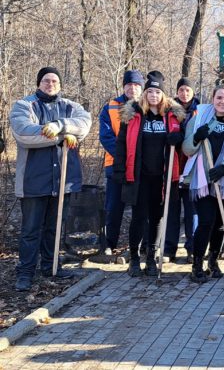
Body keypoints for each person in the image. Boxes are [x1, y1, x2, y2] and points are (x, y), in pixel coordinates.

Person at [10, 66, 92, 291]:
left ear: (60, 84)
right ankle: (25, 272)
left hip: (63, 179)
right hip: (33, 180)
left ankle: (51, 266)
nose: (50, 84)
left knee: (54, 227)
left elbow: (84, 124)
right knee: (30, 229)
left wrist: (61, 126)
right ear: (39, 83)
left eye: (55, 80)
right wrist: (61, 137)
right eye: (46, 80)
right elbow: (24, 133)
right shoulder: (24, 106)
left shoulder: (70, 107)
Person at [113, 71, 185, 277]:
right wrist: (119, 170)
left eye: (157, 92)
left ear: (163, 95)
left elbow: (183, 142)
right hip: (139, 176)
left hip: (162, 177)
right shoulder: (133, 115)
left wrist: (177, 137)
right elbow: (121, 145)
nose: (153, 95)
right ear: (144, 94)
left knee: (157, 218)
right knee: (138, 217)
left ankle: (151, 257)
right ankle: (134, 258)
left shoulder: (171, 116)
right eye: (150, 91)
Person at [182, 84, 224, 283]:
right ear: (212, 99)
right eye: (219, 97)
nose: (222, 102)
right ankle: (197, 264)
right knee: (205, 222)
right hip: (203, 180)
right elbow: (187, 150)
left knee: (220, 224)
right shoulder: (199, 119)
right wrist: (196, 137)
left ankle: (213, 260)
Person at [99, 70, 144, 255]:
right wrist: (123, 157)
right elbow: (106, 136)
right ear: (123, 86)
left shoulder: (148, 105)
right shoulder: (110, 107)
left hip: (141, 166)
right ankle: (110, 244)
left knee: (140, 208)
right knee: (114, 207)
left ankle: (140, 244)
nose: (132, 88)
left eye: (136, 85)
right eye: (129, 85)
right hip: (115, 165)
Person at [164, 77, 199, 263]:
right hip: (173, 165)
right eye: (181, 90)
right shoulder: (168, 109)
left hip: (192, 166)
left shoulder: (200, 111)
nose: (184, 93)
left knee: (192, 210)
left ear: (193, 92)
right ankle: (169, 248)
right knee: (172, 209)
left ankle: (192, 248)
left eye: (187, 90)